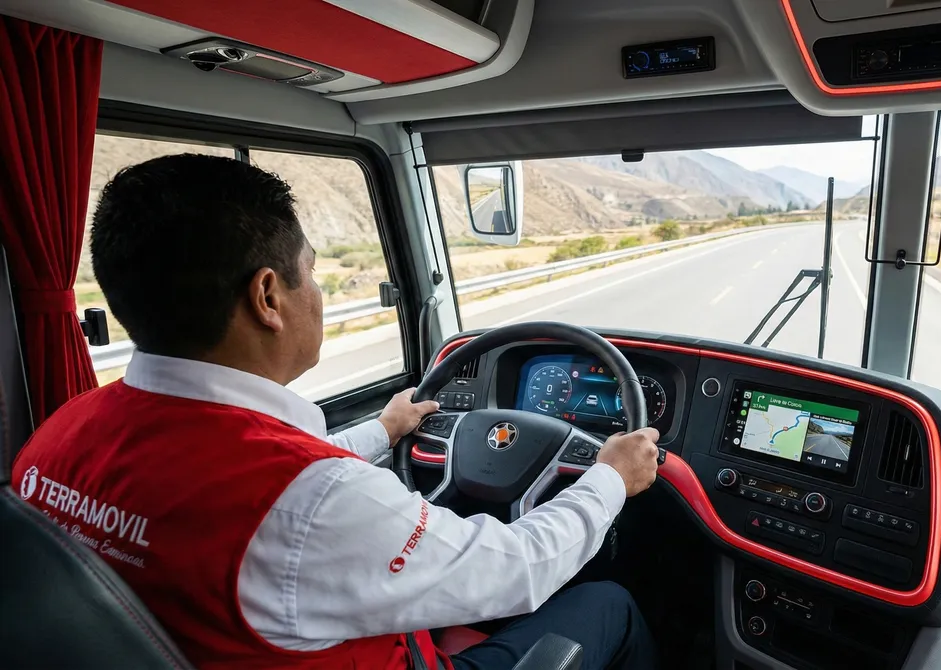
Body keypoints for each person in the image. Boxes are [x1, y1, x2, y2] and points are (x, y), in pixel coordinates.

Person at [12, 154, 661, 669]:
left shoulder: (56, 435)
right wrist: (609, 476)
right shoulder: (317, 503)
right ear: (268, 295)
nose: (318, 294)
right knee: (611, 604)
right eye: (313, 275)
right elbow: (516, 568)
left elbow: (271, 496)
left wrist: (382, 431)